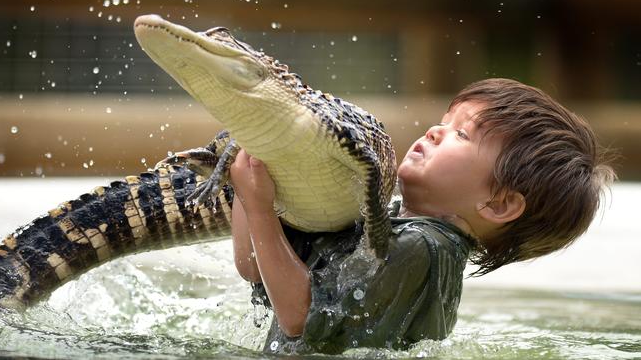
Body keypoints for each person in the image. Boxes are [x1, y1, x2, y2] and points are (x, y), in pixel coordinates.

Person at [228, 78, 615, 354]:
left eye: (462, 134)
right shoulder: (391, 226)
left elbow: (300, 318)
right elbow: (254, 266)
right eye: (445, 122)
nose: (434, 131)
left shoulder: (423, 248)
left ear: (498, 204)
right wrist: (254, 168)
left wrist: (261, 209)